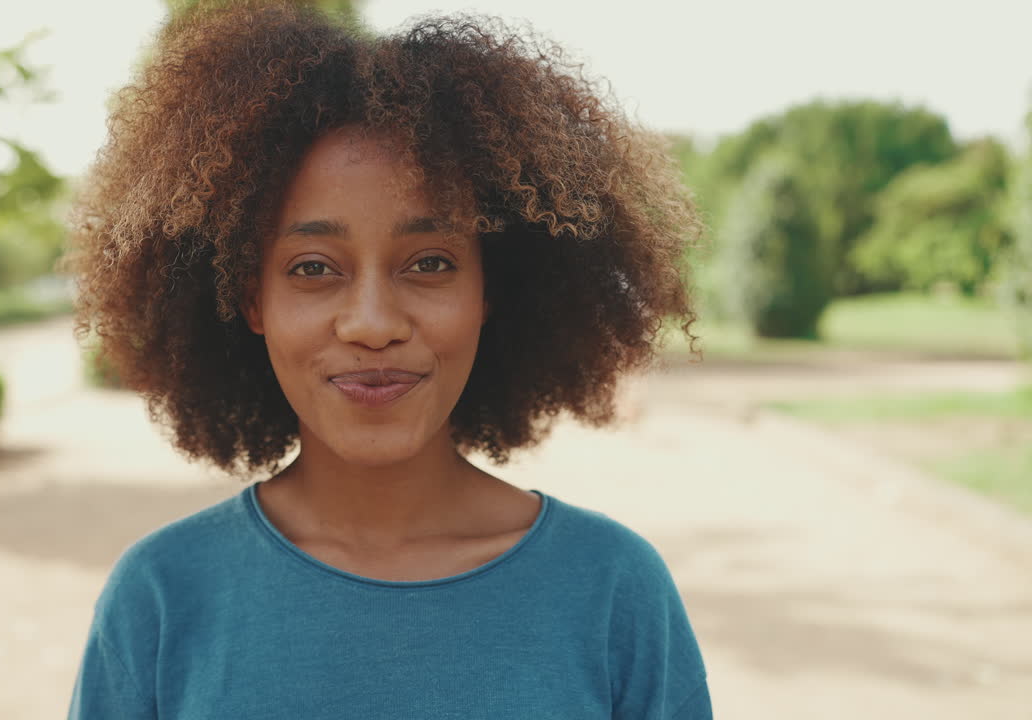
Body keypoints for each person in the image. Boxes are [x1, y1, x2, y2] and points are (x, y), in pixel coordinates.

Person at [60, 1, 711, 717]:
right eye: (312, 268)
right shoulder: (162, 599)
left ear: (491, 290)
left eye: (429, 262)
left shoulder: (611, 592)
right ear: (251, 302)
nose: (372, 323)